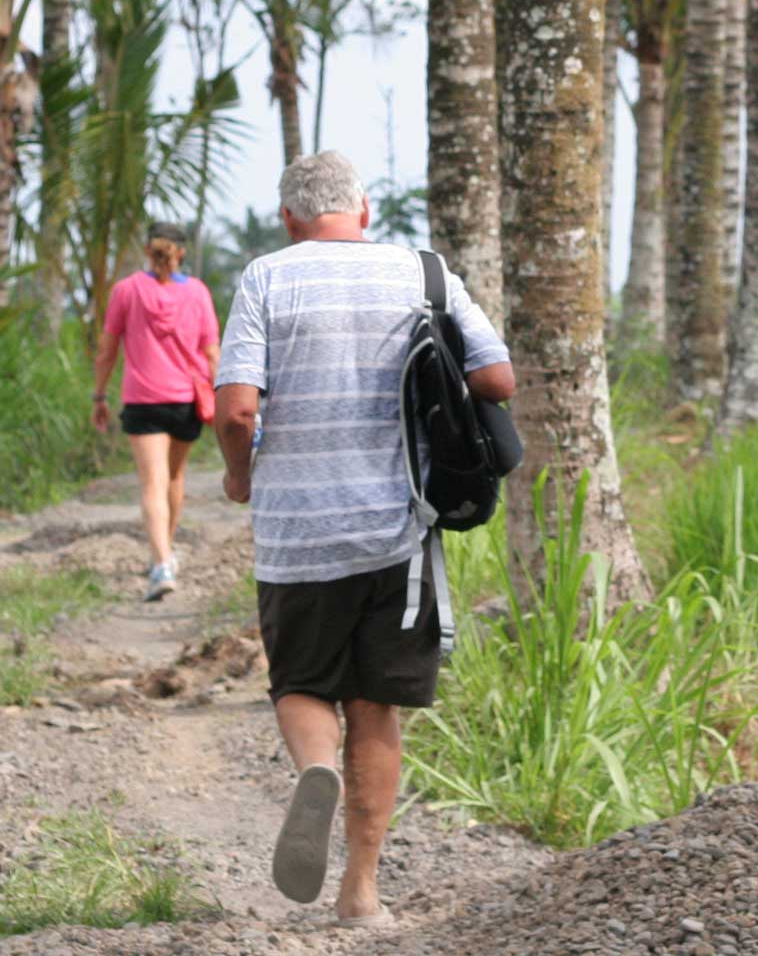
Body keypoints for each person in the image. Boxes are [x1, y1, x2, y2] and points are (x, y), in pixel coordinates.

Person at [211, 152, 514, 928]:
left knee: (302, 684)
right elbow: (497, 379)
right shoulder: (424, 273)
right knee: (376, 706)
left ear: (289, 217)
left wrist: (240, 478)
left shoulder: (266, 278)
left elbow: (237, 409)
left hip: (297, 534)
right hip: (398, 532)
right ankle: (361, 896)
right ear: (365, 209)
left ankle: (317, 769)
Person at [93, 223, 222, 602]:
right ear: (180, 252)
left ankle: (161, 562)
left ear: (148, 250)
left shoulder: (126, 290)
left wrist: (99, 396)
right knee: (175, 477)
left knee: (152, 482)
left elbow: (107, 351)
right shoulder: (197, 292)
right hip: (185, 401)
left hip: (143, 400)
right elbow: (212, 353)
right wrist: (224, 399)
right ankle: (165, 551)